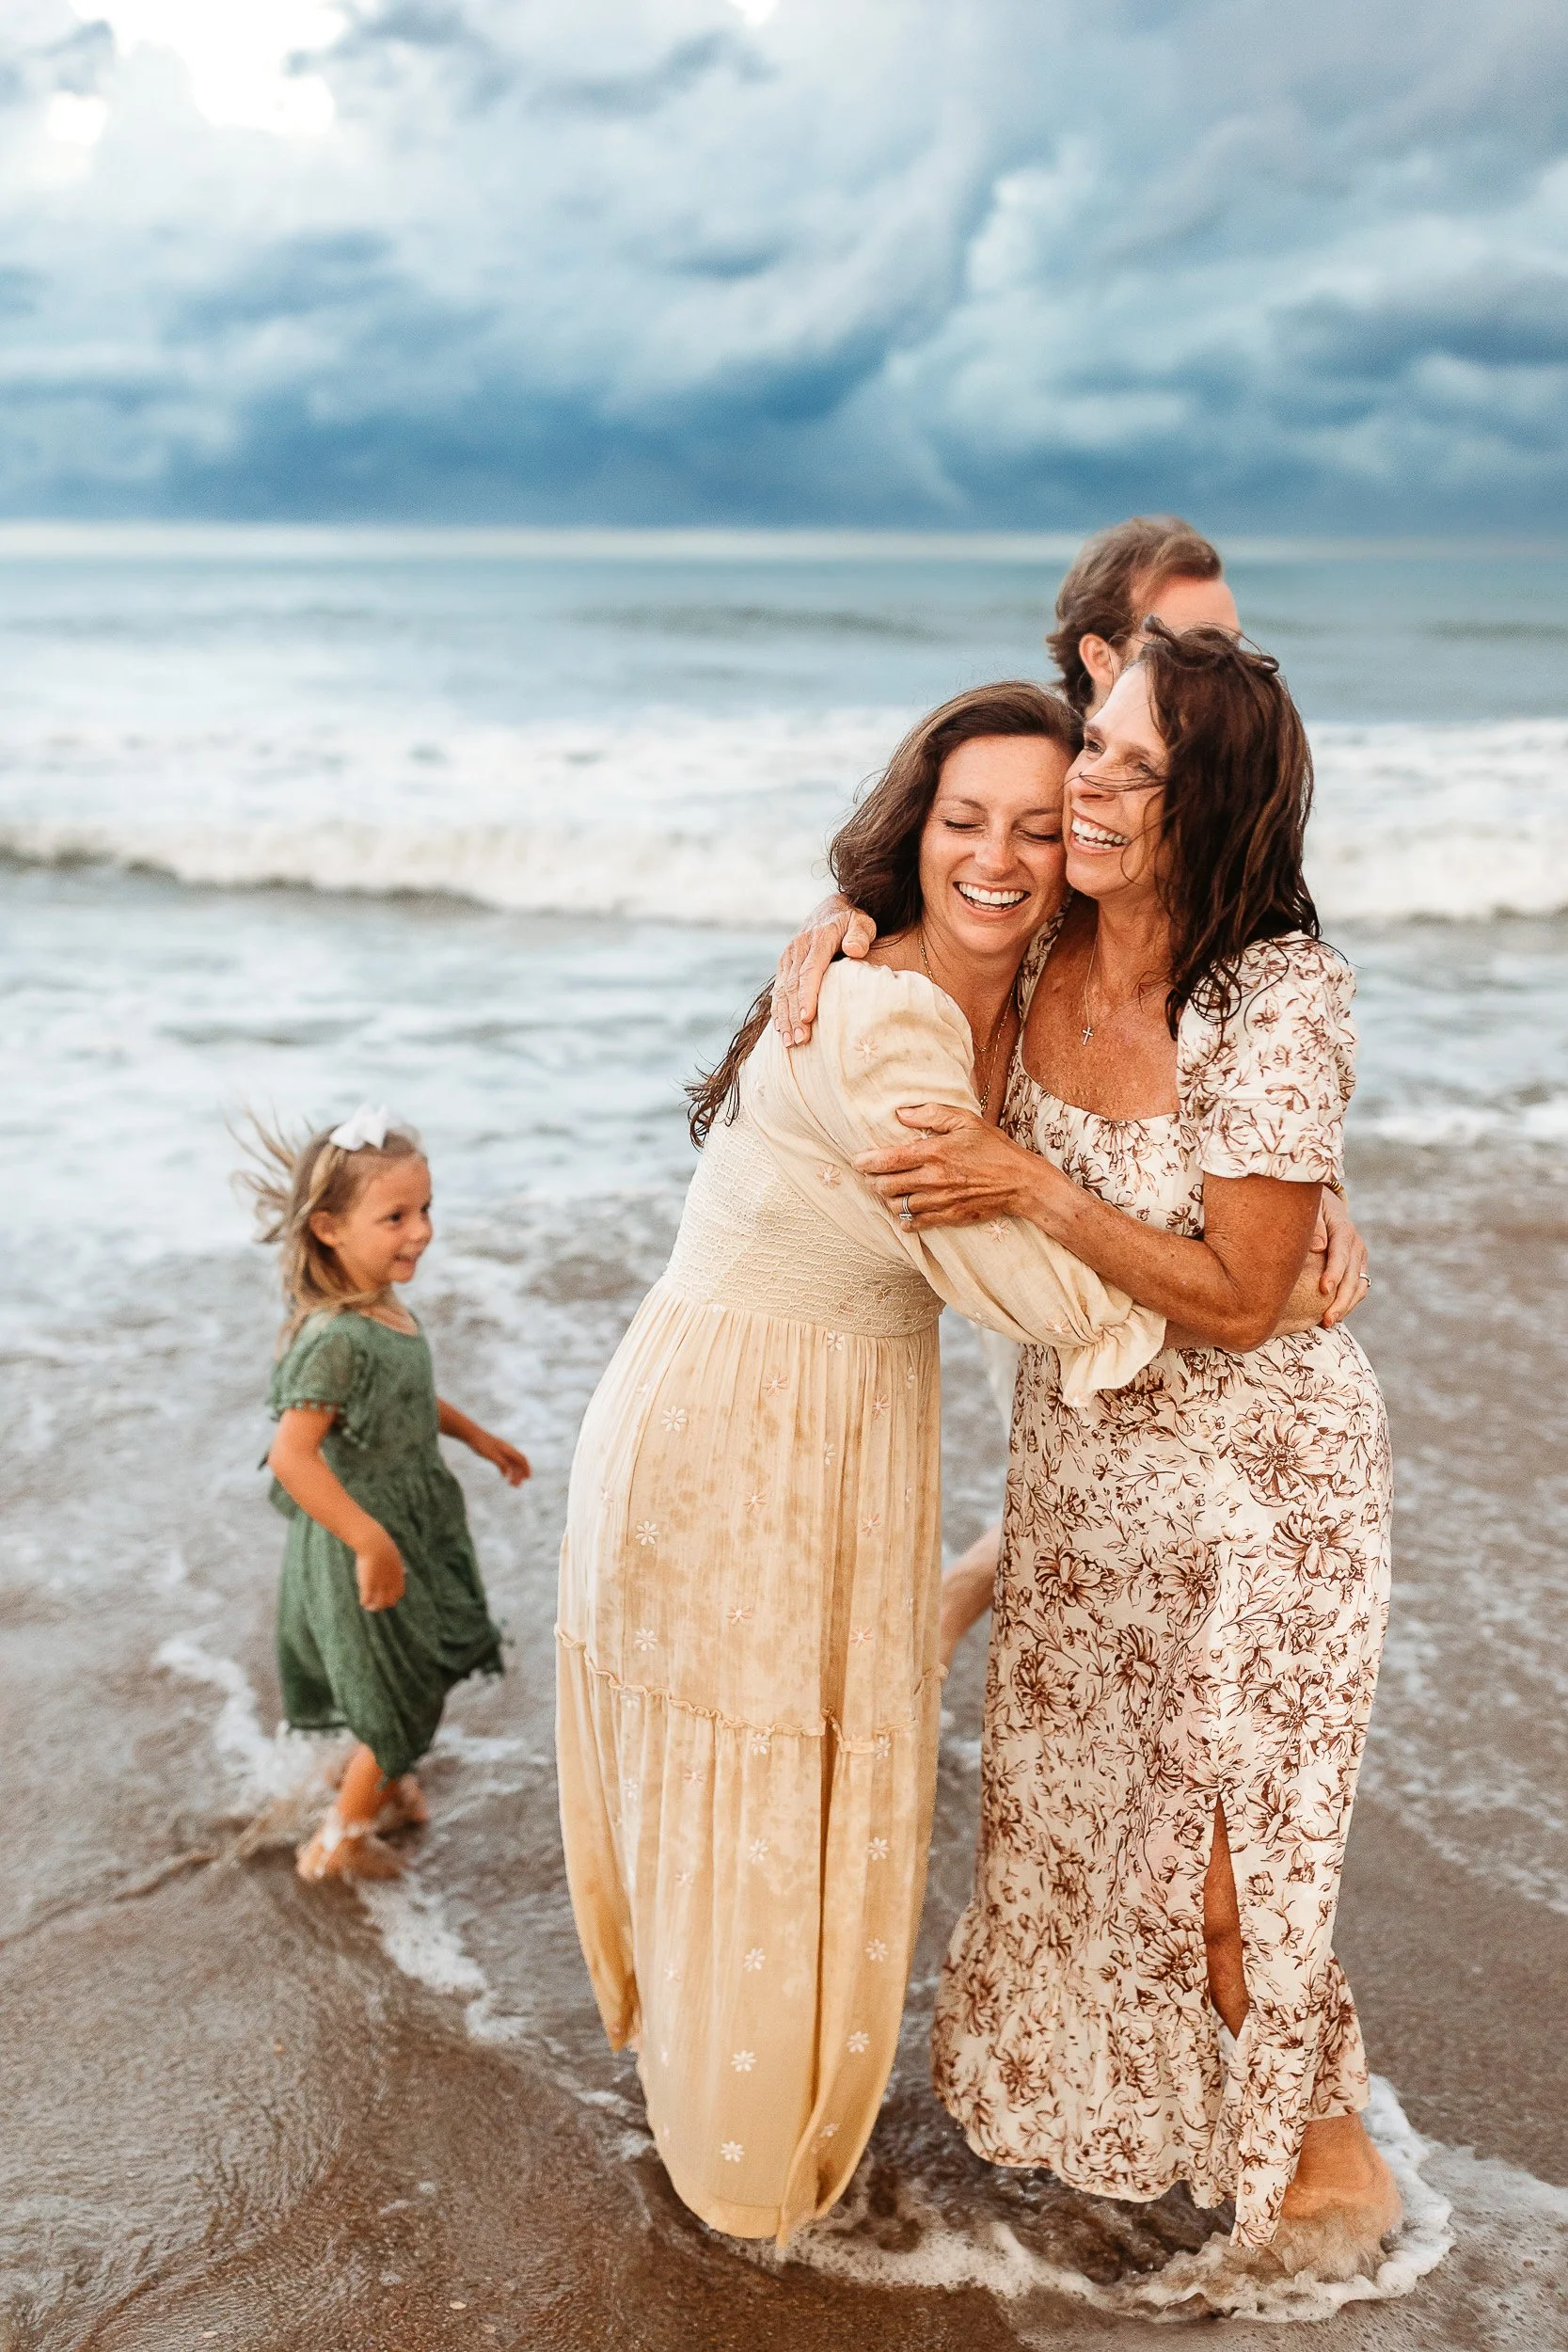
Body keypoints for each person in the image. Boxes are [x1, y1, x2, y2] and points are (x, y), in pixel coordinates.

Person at [555, 684, 1171, 2249]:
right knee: (763, 1789)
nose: (1001, 854)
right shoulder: (891, 1020)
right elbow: (1043, 1296)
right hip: (737, 1441)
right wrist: (1242, 1263)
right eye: (963, 820)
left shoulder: (995, 980)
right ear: (915, 826)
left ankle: (725, 2112)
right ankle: (742, 2185)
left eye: (1041, 828)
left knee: (791, 1762)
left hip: (782, 1415)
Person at [856, 626, 1399, 2275]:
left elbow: (1241, 1300)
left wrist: (1035, 1190)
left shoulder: (1272, 996)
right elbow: (912, 917)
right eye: (1089, 746)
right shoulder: (1035, 959)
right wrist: (833, 930)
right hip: (1088, 1486)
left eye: (1129, 768)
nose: (1083, 790)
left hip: (1266, 1488)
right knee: (1111, 1850)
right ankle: (1215, 2135)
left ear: (1210, 801)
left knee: (1230, 1857)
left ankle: (1324, 2163)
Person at [771, 516, 1368, 1665]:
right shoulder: (1060, 845)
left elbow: (1255, 1026)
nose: (1230, 666)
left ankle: (948, 1603)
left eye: (1231, 643)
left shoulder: (1197, 910)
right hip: (1082, 1430)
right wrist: (841, 924)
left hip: (1252, 1481)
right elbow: (950, 888)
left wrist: (1307, 1179)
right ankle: (956, 1598)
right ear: (1106, 656)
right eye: (1192, 639)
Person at [243, 1104, 529, 1883]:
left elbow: (405, 1394)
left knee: (419, 1662)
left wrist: (474, 1436)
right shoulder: (334, 1337)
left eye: (425, 1209)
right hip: (359, 1532)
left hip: (411, 1518)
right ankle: (337, 1842)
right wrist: (370, 1540)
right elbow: (292, 1455)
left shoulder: (382, 1306)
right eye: (395, 1216)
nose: (422, 1231)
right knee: (396, 1691)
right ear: (329, 1228)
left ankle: (387, 1785)